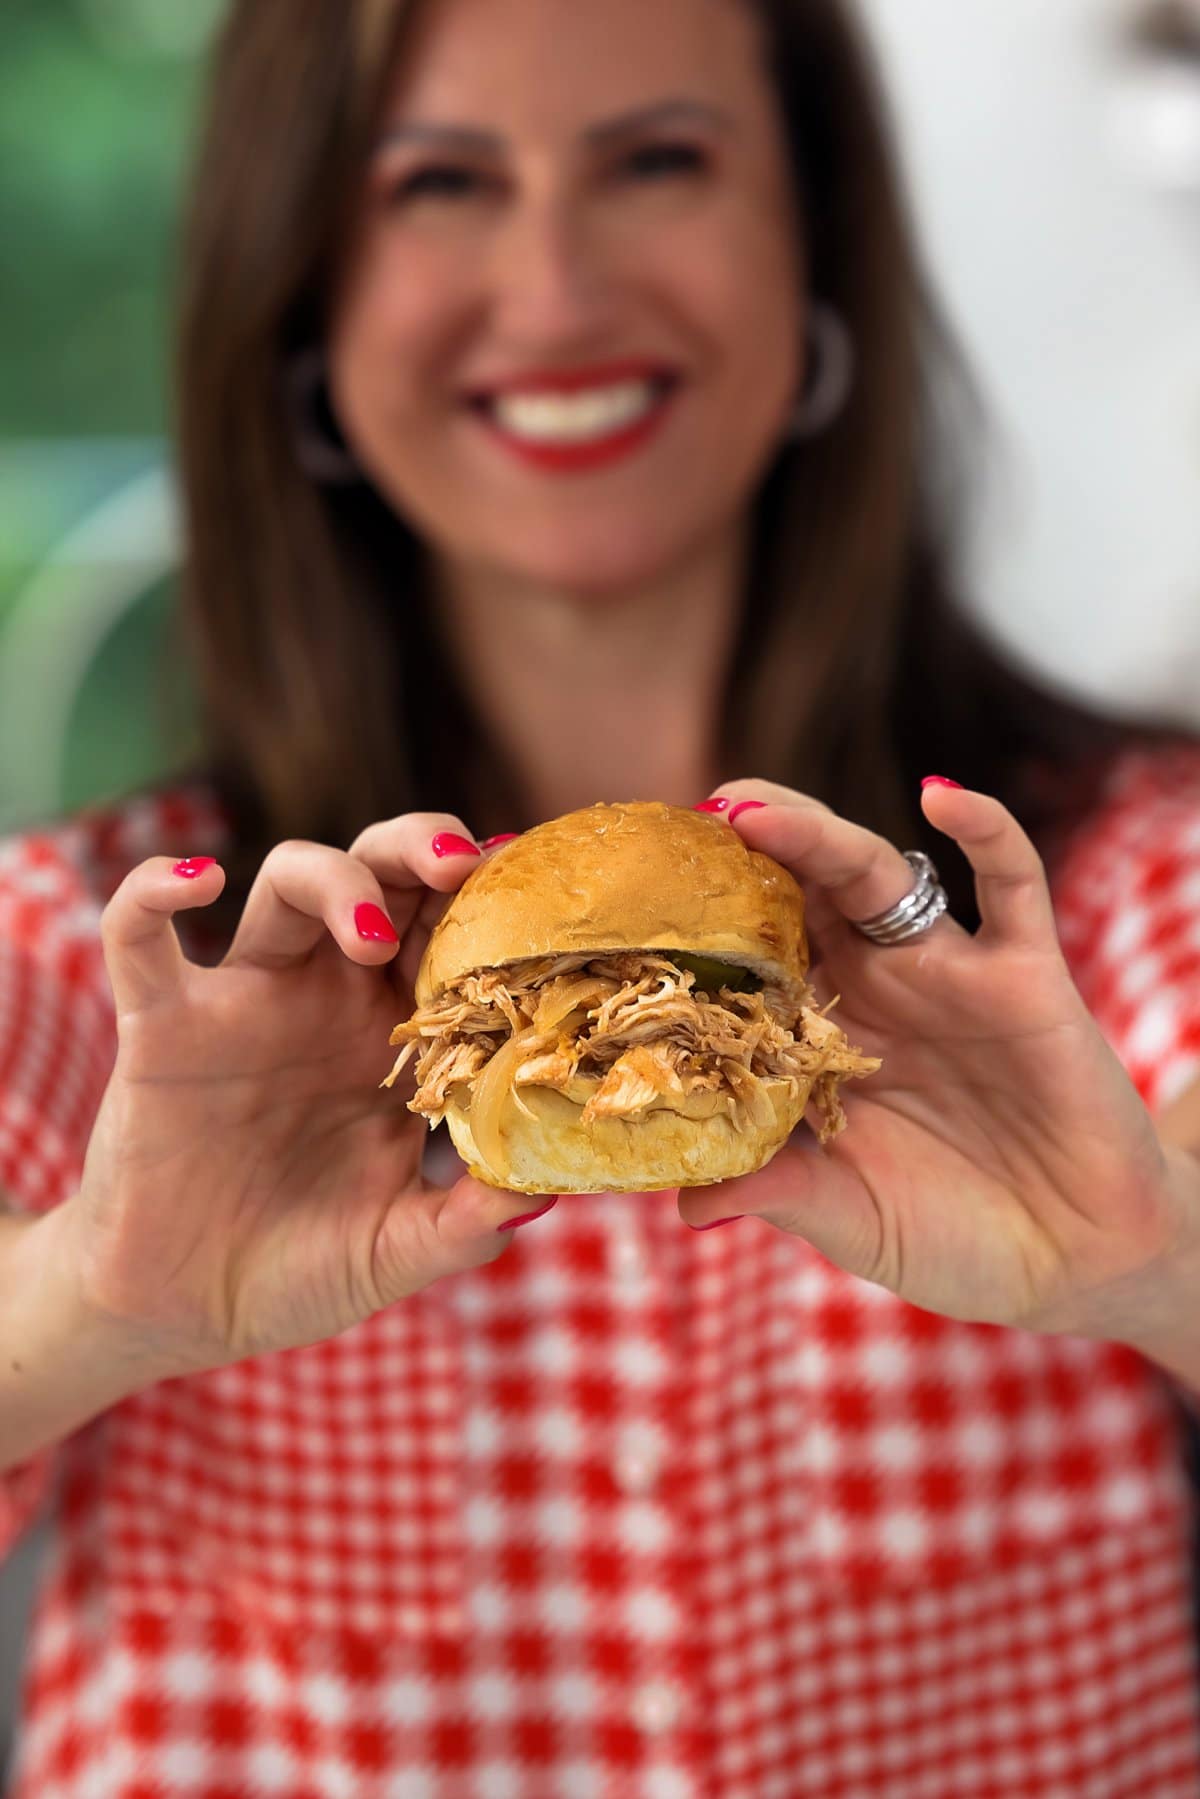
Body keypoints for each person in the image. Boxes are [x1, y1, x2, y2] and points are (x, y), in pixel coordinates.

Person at [2, 0, 1199, 1793]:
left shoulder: (1108, 893)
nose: (555, 286)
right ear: (305, 303)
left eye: (659, 160)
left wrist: (1157, 1258)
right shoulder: (104, 956)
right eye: (438, 184)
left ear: (816, 250)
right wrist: (97, 1301)